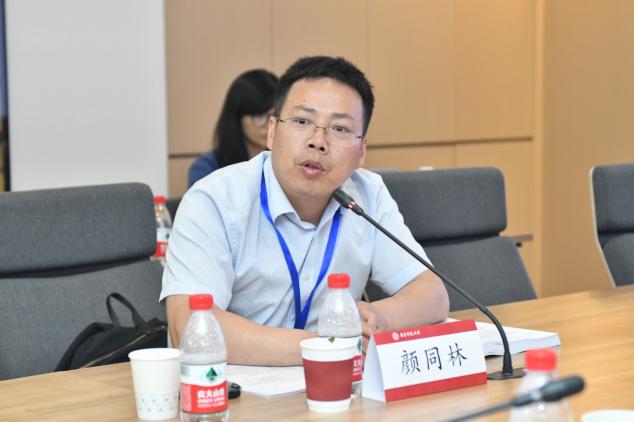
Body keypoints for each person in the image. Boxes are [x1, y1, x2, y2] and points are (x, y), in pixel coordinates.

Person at [161, 56, 449, 366]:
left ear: (361, 151)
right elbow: (188, 325)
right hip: (232, 388)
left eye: (340, 128)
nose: (318, 142)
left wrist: (379, 316)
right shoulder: (214, 200)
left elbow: (433, 294)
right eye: (302, 122)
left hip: (338, 384)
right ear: (272, 132)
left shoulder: (367, 195)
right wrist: (324, 348)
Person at [188, 69, 278, 187]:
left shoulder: (284, 163)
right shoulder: (206, 168)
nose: (270, 125)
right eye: (260, 115)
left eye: (275, 115)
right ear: (237, 117)